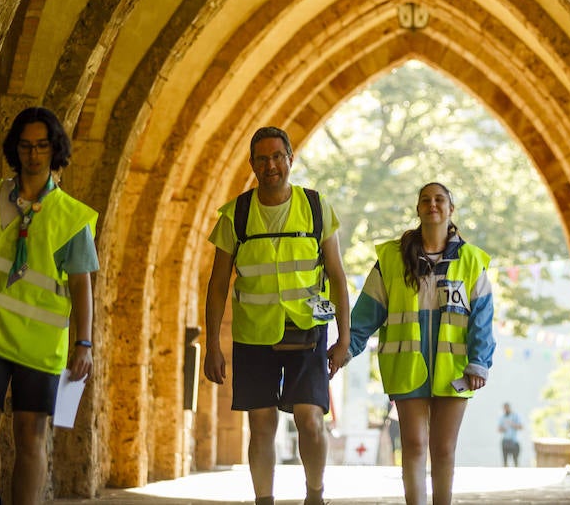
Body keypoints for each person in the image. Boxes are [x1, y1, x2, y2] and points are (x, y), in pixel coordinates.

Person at [0, 106, 98, 505]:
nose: (33, 154)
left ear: (55, 150)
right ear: (15, 149)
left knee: (31, 439)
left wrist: (84, 344)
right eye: (26, 146)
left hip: (41, 345)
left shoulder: (71, 216)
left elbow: (82, 287)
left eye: (41, 146)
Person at [203, 126, 351, 505]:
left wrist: (344, 338)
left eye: (277, 157)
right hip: (254, 335)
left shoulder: (317, 208)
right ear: (252, 164)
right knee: (262, 423)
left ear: (290, 159)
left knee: (310, 420)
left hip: (308, 331)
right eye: (262, 158)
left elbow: (337, 277)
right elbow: (217, 284)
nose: (271, 165)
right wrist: (212, 346)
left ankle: (315, 495)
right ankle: (264, 500)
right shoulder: (235, 215)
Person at [349, 182, 496, 505]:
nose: (433, 204)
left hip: (454, 369)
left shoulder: (471, 260)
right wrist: (344, 349)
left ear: (450, 209)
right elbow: (366, 313)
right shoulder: (391, 258)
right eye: (425, 200)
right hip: (407, 366)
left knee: (443, 449)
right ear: (417, 209)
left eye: (440, 199)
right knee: (414, 445)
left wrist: (479, 362)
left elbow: (482, 318)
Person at [497, 402, 523, 467]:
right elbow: (499, 429)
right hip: (505, 441)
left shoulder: (515, 416)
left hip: (514, 441)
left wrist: (512, 424)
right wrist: (503, 428)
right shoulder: (502, 417)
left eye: (507, 408)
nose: (506, 410)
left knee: (515, 460)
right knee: (505, 461)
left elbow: (521, 427)